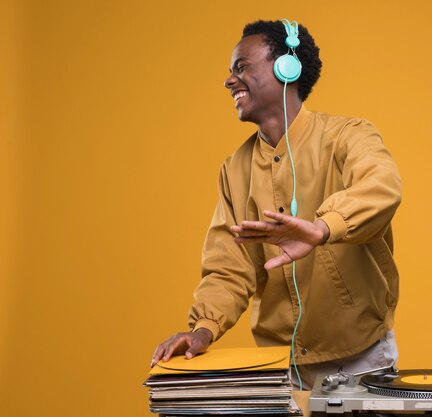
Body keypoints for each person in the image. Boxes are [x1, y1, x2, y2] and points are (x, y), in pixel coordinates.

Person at [151, 19, 402, 389]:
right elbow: (229, 267)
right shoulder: (234, 169)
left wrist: (322, 228)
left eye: (242, 67)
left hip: (360, 356)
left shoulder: (348, 135)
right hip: (279, 366)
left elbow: (382, 186)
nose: (229, 80)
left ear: (288, 67)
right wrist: (204, 329)